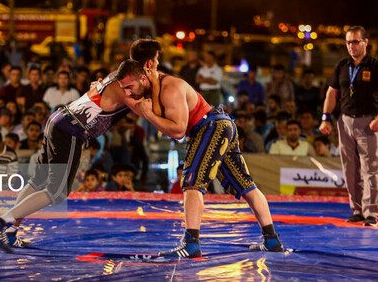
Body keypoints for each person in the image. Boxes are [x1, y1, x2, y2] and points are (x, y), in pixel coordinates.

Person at [0, 39, 161, 252]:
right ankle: (0, 222)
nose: (158, 65)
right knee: (56, 193)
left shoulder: (118, 74)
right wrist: (156, 86)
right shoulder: (128, 86)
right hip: (70, 130)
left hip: (58, 119)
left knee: (38, 181)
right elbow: (152, 112)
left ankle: (10, 232)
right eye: (157, 61)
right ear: (149, 63)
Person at [119, 59, 284, 258]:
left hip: (210, 127)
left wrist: (150, 116)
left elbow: (178, 131)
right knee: (245, 185)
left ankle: (191, 243)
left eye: (129, 87)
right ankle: (272, 239)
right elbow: (140, 106)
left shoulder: (170, 88)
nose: (128, 92)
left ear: (145, 77)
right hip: (220, 125)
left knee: (192, 182)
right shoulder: (154, 87)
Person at [319, 26, 378, 228]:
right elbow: (331, 94)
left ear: (365, 42)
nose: (351, 46)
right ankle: (357, 210)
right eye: (348, 42)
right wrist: (325, 118)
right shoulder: (342, 65)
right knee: (350, 168)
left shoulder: (376, 66)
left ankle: (371, 213)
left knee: (370, 168)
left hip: (368, 121)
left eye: (355, 42)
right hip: (344, 121)